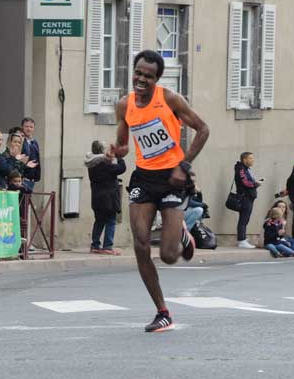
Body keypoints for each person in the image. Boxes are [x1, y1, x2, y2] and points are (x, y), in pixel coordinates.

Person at [110, 50, 209, 333]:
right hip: (143, 177)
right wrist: (116, 150)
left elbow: (203, 129)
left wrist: (184, 165)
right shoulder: (124, 105)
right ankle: (162, 311)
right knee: (140, 244)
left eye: (148, 76)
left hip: (171, 178)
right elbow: (124, 143)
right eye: (138, 73)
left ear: (157, 79)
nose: (141, 79)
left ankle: (181, 234)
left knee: (167, 255)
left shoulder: (170, 99)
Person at [85, 140, 126, 256]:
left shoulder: (91, 163)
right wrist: (119, 157)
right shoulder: (104, 164)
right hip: (108, 197)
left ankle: (95, 245)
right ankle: (107, 246)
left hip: (97, 197)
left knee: (99, 221)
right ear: (102, 150)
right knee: (111, 221)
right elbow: (121, 168)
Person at [234, 152, 264, 249]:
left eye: (252, 158)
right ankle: (241, 240)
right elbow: (245, 182)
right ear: (244, 160)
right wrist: (255, 184)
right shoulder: (241, 169)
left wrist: (256, 182)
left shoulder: (247, 169)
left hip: (249, 197)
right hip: (244, 197)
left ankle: (242, 238)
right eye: (250, 158)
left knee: (246, 219)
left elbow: (249, 181)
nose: (252, 160)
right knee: (243, 219)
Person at [21, 117, 41, 192]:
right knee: (22, 202)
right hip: (22, 178)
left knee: (26, 201)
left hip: (31, 179)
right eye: (26, 126)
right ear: (22, 127)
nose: (28, 129)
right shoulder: (20, 141)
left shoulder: (35, 142)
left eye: (31, 127)